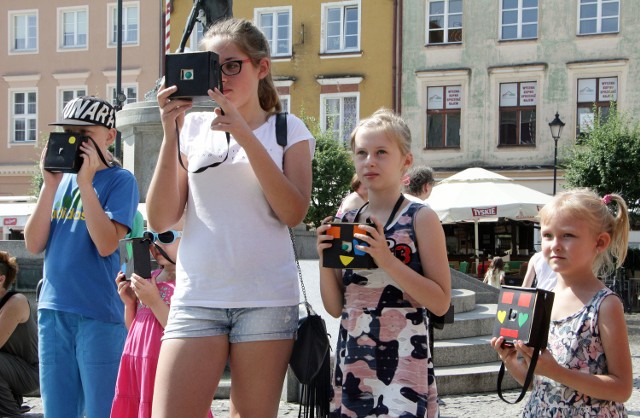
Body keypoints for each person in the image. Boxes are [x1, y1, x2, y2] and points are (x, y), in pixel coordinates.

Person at [147, 18, 315, 418]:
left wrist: (244, 135)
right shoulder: (192, 131)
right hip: (197, 296)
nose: (222, 76)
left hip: (265, 300)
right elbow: (160, 218)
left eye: (232, 65)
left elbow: (292, 213)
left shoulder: (287, 129)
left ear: (262, 67)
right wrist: (170, 133)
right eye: (213, 65)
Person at [316, 108, 451, 417]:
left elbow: (441, 302)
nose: (369, 161)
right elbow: (337, 307)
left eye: (380, 152)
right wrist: (325, 260)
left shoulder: (421, 218)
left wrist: (386, 260)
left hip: (404, 359)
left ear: (406, 160)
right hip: (353, 358)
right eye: (361, 153)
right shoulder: (348, 219)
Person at [24, 96, 140, 418]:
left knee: (100, 409)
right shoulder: (61, 182)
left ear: (109, 136)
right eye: (68, 133)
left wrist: (87, 185)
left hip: (97, 313)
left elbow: (106, 245)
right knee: (57, 410)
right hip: (53, 309)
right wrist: (49, 187)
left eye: (83, 134)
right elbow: (33, 244)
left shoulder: (121, 181)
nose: (74, 142)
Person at [491, 189, 633, 416]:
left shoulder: (605, 305)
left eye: (568, 235)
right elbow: (536, 383)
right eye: (547, 235)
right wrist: (510, 361)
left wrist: (557, 372)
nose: (555, 244)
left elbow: (622, 388)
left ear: (600, 242)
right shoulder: (542, 299)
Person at [111, 227, 213, 418]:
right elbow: (135, 327)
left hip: (166, 365)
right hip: (138, 363)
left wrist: (155, 301)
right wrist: (129, 303)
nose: (155, 245)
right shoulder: (152, 278)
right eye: (151, 238)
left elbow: (182, 332)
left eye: (166, 237)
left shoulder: (189, 282)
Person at [0, 251, 39, 416]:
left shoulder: (16, 302)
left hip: (31, 374)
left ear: (1, 279)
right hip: (10, 369)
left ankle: (10, 413)